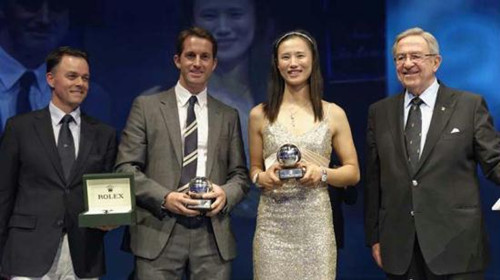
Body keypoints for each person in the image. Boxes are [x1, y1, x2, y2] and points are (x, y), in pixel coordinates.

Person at [365, 27, 500, 279]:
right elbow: (374, 179)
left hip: (457, 246)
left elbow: (495, 161)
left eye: (416, 56)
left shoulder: (468, 105)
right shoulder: (379, 112)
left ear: (436, 62)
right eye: (400, 58)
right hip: (400, 248)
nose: (407, 64)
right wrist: (374, 237)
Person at [115, 26, 249, 280]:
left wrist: (225, 194)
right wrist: (165, 198)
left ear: (214, 64)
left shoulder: (228, 115)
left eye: (205, 57)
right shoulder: (146, 107)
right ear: (177, 60)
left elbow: (240, 175)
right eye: (190, 55)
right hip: (159, 229)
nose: (197, 63)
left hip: (212, 236)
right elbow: (126, 169)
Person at [249, 30, 360, 279]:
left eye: (300, 56)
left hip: (316, 227)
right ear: (277, 64)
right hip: (272, 228)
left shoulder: (334, 113)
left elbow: (352, 172)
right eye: (286, 57)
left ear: (313, 60)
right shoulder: (259, 114)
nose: (293, 63)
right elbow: (254, 169)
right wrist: (261, 178)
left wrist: (321, 173)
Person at [0, 46, 117, 279]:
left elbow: (109, 191)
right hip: (28, 252)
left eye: (85, 78)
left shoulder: (104, 134)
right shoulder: (19, 128)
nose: (80, 83)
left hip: (83, 254)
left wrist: (111, 217)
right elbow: (4, 194)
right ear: (50, 79)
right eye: (72, 76)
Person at [0, 0, 111, 134]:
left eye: (57, 7)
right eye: (31, 5)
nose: (44, 19)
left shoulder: (92, 99)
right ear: (3, 8)